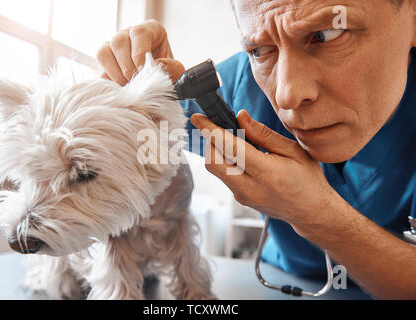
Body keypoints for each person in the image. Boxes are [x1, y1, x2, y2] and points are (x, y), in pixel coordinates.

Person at [96, 0, 416, 299]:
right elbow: (131, 137)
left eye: (326, 34)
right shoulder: (234, 88)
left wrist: (317, 216)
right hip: (278, 279)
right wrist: (140, 86)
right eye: (260, 49)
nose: (287, 94)